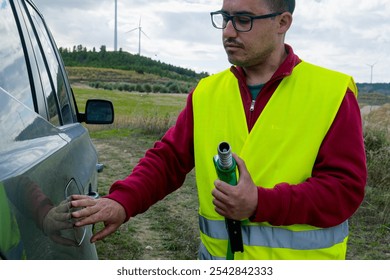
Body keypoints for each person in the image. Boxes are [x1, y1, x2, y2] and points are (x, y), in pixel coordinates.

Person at [71, 0, 367, 260]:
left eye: (243, 19)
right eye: (224, 18)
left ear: (282, 22)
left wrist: (260, 203)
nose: (228, 31)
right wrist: (123, 201)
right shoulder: (207, 92)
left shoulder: (332, 93)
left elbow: (344, 189)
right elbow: (169, 159)